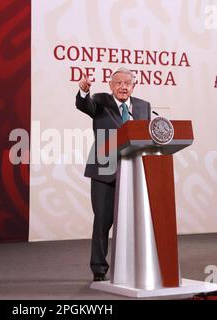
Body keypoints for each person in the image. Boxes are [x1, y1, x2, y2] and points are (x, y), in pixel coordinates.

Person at [76, 67, 151, 281]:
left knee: (133, 221)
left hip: (134, 171)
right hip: (104, 171)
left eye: (127, 83)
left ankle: (133, 266)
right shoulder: (100, 101)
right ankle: (99, 269)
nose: (123, 86)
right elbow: (85, 104)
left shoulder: (143, 106)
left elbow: (146, 135)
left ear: (133, 86)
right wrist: (83, 91)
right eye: (118, 83)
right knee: (103, 221)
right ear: (110, 86)